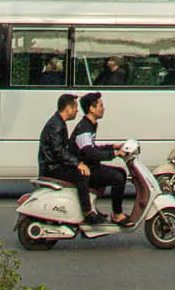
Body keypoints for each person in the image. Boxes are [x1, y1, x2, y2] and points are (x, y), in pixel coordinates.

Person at [71, 91, 131, 226]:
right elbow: (90, 153)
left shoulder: (90, 124)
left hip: (90, 166)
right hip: (85, 169)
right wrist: (114, 154)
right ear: (91, 109)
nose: (103, 109)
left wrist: (113, 147)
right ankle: (117, 214)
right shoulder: (84, 128)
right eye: (101, 106)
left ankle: (103, 210)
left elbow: (93, 147)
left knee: (121, 172)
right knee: (118, 177)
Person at [39, 92, 100, 220]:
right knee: (82, 174)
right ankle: (87, 212)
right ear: (68, 108)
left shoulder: (58, 122)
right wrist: (77, 164)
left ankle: (91, 207)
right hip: (52, 168)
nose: (77, 111)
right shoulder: (56, 125)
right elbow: (58, 152)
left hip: (54, 165)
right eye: (75, 108)